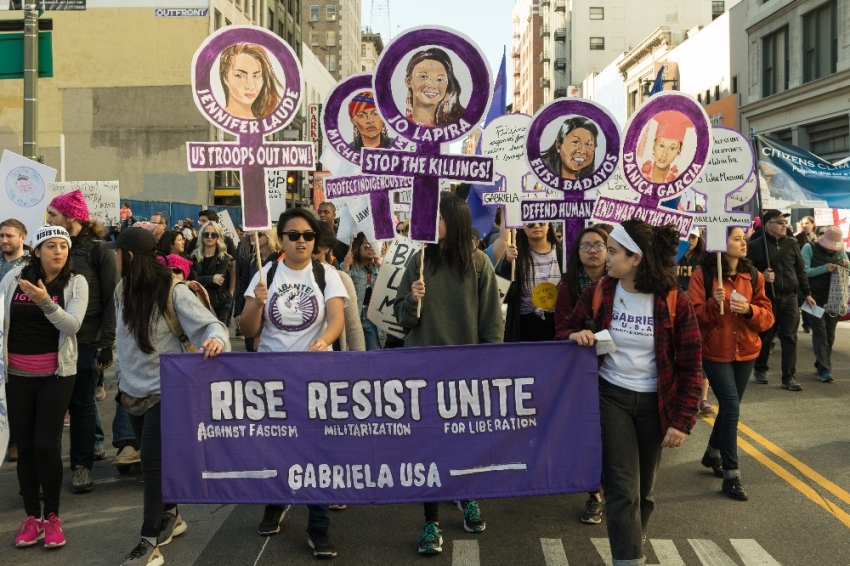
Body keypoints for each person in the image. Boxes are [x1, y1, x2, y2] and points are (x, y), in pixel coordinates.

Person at [557, 220, 702, 566]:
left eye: (613, 251)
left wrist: (682, 421)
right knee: (622, 491)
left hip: (656, 404)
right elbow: (565, 327)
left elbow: (692, 364)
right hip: (610, 398)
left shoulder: (674, 301)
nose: (605, 257)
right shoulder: (601, 291)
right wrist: (574, 336)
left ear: (635, 258)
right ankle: (629, 558)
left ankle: (632, 540)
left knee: (644, 493)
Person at [393, 193, 503, 554]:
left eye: (434, 216)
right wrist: (412, 298)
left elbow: (491, 324)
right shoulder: (419, 261)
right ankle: (430, 522)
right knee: (428, 448)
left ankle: (468, 497)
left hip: (466, 374)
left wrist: (489, 371)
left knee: (465, 441)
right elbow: (402, 319)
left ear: (453, 219)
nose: (427, 223)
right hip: (422, 371)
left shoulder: (478, 265)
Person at [113, 228, 229, 566]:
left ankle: (149, 543)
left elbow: (212, 325)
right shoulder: (123, 289)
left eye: (117, 252)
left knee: (151, 466)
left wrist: (216, 339)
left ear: (129, 256)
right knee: (155, 466)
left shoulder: (172, 290)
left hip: (166, 391)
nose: (114, 258)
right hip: (131, 391)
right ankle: (172, 516)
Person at [240, 208, 348, 558]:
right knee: (275, 446)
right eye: (293, 235)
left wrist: (325, 341)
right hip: (272, 376)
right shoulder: (265, 273)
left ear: (315, 240)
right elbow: (247, 329)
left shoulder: (326, 273)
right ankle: (275, 502)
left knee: (315, 451)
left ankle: (319, 526)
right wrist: (257, 304)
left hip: (315, 378)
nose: (301, 241)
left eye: (308, 235)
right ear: (281, 239)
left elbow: (336, 318)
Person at [3, 225, 87, 549]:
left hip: (56, 376)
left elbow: (73, 325)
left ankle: (52, 516)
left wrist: (45, 302)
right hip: (16, 377)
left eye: (63, 246)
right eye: (50, 246)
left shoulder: (76, 282)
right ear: (36, 251)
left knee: (45, 444)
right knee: (24, 447)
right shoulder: (14, 279)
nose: (58, 252)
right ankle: (31, 517)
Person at [689, 227, 774, 501]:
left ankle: (712, 453)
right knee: (733, 407)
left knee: (728, 407)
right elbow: (692, 315)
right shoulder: (703, 275)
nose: (743, 243)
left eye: (743, 238)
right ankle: (731, 473)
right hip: (715, 350)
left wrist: (750, 310)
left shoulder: (755, 275)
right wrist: (714, 305)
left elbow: (767, 317)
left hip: (747, 350)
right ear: (720, 244)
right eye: (737, 239)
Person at [47, 189, 119, 495]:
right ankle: (45, 466)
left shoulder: (98, 250)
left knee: (82, 405)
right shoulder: (50, 246)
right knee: (50, 406)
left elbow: (112, 297)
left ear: (69, 216)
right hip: (50, 337)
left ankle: (81, 466)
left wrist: (106, 342)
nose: (48, 219)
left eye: (53, 214)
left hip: (86, 339)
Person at [552, 226, 608, 524]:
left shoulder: (625, 283)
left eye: (600, 244)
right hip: (585, 369)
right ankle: (595, 494)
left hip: (621, 368)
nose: (593, 250)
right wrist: (576, 334)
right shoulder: (569, 287)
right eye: (586, 246)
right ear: (577, 253)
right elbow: (561, 329)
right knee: (592, 432)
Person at [747, 210, 815, 391]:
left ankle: (789, 377)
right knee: (766, 335)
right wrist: (761, 275)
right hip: (768, 297)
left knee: (790, 337)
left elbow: (800, 270)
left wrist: (807, 293)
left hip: (790, 296)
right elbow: (746, 271)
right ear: (768, 225)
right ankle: (760, 368)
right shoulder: (755, 245)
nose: (784, 224)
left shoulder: (792, 244)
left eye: (785, 222)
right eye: (779, 222)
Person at [801, 226, 850, 383]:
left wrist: (846, 264)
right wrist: (824, 268)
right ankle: (825, 370)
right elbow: (803, 272)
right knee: (820, 332)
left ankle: (820, 362)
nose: (831, 251)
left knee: (830, 333)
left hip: (834, 299)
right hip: (811, 297)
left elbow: (847, 270)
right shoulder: (809, 248)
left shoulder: (840, 251)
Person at [499, 221, 562, 341]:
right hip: (524, 328)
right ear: (522, 226)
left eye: (542, 222)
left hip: (557, 325)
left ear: (549, 224)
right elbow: (502, 295)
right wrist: (507, 265)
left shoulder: (562, 254)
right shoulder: (514, 256)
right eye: (531, 223)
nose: (537, 226)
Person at [0, 218, 30, 462]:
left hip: (19, 335)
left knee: (16, 392)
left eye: (9, 236)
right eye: (1, 236)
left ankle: (16, 441)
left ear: (23, 237)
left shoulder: (30, 266)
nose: (4, 240)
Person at [677, 228, 714, 415]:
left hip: (695, 311)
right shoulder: (673, 256)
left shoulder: (703, 259)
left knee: (699, 355)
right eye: (687, 237)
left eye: (693, 237)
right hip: (674, 310)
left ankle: (703, 398)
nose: (690, 240)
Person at [313, 221, 365, 354]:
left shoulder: (340, 278)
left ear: (326, 247)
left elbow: (353, 327)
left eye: (317, 243)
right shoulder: (281, 272)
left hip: (331, 357)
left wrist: (359, 363)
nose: (310, 246)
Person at [233, 229, 282, 351]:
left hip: (273, 313)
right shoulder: (250, 260)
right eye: (254, 234)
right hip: (251, 306)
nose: (255, 236)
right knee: (251, 348)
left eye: (260, 234)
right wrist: (238, 311)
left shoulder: (280, 260)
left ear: (270, 236)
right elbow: (242, 285)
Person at [218, 42, 283, 120]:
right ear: (225, 77)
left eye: (256, 76)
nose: (251, 86)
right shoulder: (216, 118)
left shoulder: (265, 124)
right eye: (240, 75)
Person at [404, 48, 466, 127]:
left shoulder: (458, 127)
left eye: (439, 79)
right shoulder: (395, 126)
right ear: (408, 81)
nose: (432, 85)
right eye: (423, 76)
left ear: (448, 84)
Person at [343, 232, 383, 350]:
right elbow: (343, 291)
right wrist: (346, 267)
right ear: (357, 246)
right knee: (355, 356)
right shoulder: (348, 267)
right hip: (354, 318)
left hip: (372, 319)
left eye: (374, 245)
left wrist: (382, 265)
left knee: (374, 355)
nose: (371, 248)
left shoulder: (377, 268)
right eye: (366, 245)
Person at [191, 222, 232, 324]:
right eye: (206, 234)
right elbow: (191, 280)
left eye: (213, 235)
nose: (209, 237)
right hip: (198, 303)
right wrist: (211, 278)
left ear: (218, 237)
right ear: (202, 236)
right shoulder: (194, 257)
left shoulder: (223, 257)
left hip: (219, 304)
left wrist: (201, 279)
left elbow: (219, 281)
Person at [640, 111, 694, 184]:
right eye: (661, 146)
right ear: (654, 145)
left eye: (672, 148)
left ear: (679, 150)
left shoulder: (680, 180)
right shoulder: (640, 175)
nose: (664, 154)